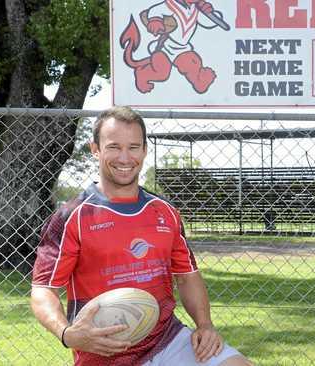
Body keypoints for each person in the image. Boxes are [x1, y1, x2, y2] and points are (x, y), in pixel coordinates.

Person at [30, 106, 252, 366]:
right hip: (104, 354)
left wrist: (205, 325)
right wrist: (67, 334)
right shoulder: (73, 217)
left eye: (133, 147)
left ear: (144, 150)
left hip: (168, 340)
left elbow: (188, 276)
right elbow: (44, 291)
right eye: (114, 146)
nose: (125, 157)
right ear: (95, 149)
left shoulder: (164, 212)